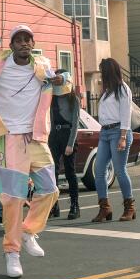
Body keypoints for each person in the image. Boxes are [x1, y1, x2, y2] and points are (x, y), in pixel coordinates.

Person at [0, 24, 68, 278]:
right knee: (13, 199)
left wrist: (62, 79)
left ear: (32, 44)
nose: (23, 43)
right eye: (18, 40)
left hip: (36, 138)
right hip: (8, 138)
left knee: (50, 189)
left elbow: (65, 85)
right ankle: (12, 252)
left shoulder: (42, 65)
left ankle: (29, 231)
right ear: (11, 45)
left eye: (27, 39)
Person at [91, 58, 136, 222]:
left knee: (119, 170)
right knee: (100, 170)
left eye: (102, 71)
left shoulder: (122, 89)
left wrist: (123, 137)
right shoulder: (106, 90)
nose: (101, 74)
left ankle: (129, 207)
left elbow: (126, 114)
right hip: (105, 132)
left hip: (119, 132)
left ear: (109, 71)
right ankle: (105, 208)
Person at [48, 88, 81, 221]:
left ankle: (75, 205)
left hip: (67, 134)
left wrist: (71, 144)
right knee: (52, 171)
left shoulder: (73, 99)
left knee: (70, 172)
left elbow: (76, 122)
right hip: (54, 135)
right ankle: (54, 205)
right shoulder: (51, 98)